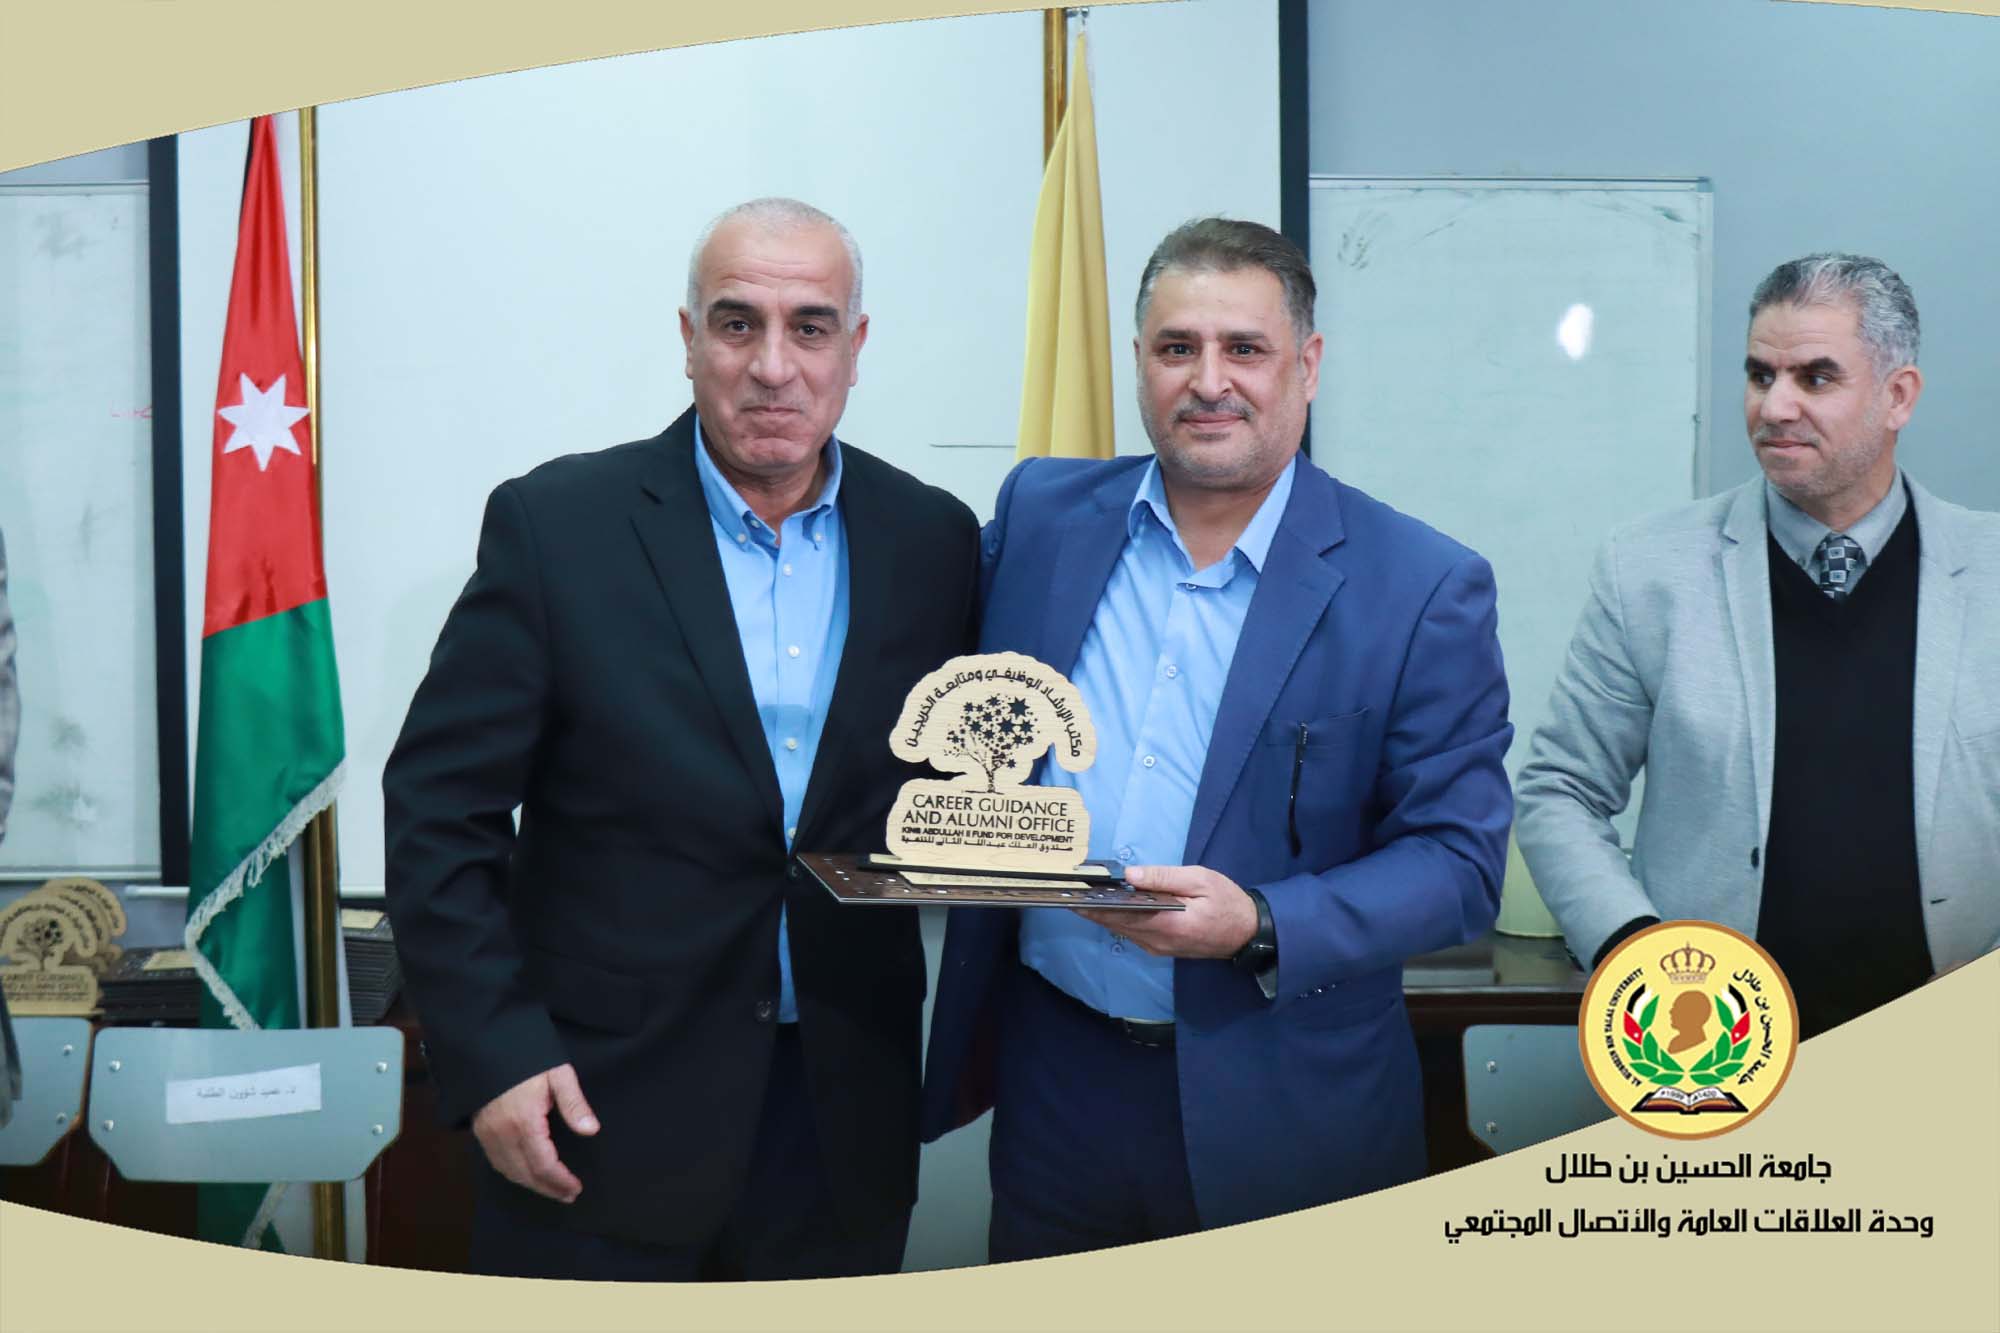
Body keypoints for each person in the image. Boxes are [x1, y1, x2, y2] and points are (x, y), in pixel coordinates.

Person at [383, 198, 978, 1280]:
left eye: (809, 327)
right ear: (688, 338)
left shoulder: (931, 539)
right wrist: (494, 1053)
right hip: (594, 1112)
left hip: (840, 1120)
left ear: (854, 348)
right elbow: (438, 811)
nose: (772, 366)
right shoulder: (559, 525)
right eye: (737, 323)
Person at [919, 218, 1513, 1259]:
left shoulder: (1420, 585)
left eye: (1244, 348)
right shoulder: (1043, 513)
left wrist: (1261, 921)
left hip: (1285, 1104)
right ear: (1139, 361)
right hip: (1056, 1080)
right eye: (1175, 347)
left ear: (1307, 365)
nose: (1208, 381)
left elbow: (1458, 865)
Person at [1516, 253, 2000, 1037]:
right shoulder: (1650, 569)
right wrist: (1636, 953)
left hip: (1950, 1051)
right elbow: (1560, 791)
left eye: (1815, 377)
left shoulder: (1991, 573)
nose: (1774, 406)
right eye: (1759, 374)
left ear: (1898, 396)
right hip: (1708, 1052)